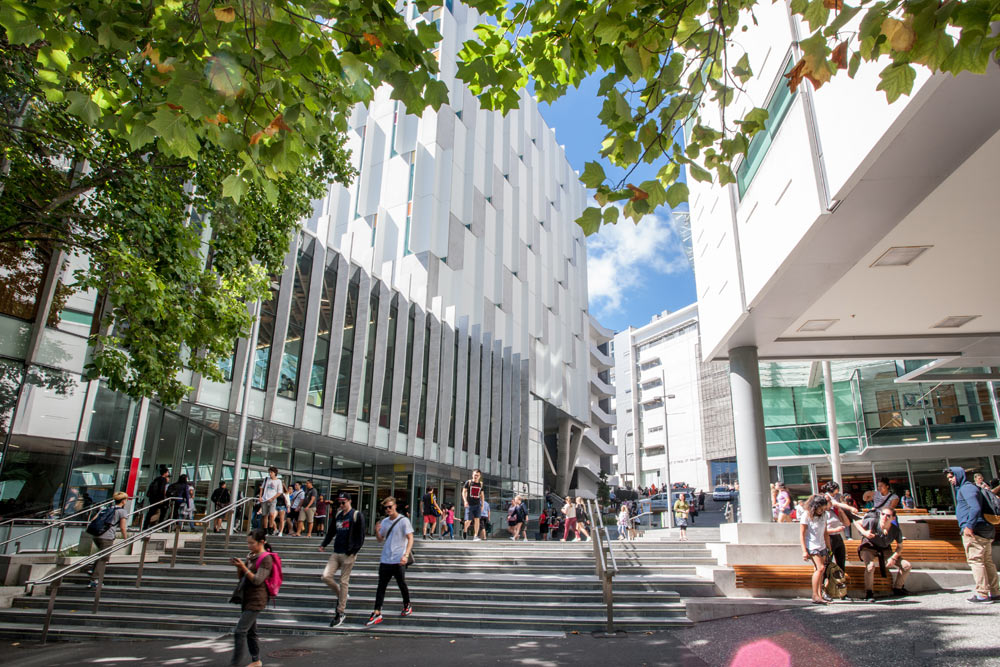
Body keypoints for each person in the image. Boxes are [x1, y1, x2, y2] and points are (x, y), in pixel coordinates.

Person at [946, 467, 999, 604]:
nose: (950, 480)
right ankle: (994, 591)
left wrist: (969, 526)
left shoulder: (966, 488)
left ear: (958, 475)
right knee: (986, 561)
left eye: (952, 477)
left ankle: (982, 594)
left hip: (975, 530)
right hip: (984, 529)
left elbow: (975, 507)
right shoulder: (970, 488)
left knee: (976, 561)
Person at [229, 528, 275, 667]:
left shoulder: (266, 558)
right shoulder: (251, 556)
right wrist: (240, 567)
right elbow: (243, 578)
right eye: (248, 543)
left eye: (252, 543)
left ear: (261, 542)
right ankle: (256, 660)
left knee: (240, 631)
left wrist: (243, 567)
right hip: (247, 596)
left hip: (257, 599)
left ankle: (235, 663)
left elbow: (257, 580)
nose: (249, 546)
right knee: (251, 631)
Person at [319, 490, 366, 627]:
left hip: (348, 553)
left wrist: (354, 551)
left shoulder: (356, 515)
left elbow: (361, 536)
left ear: (349, 501)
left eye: (343, 502)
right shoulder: (339, 515)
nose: (341, 505)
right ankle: (342, 595)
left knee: (344, 581)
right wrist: (323, 544)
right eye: (339, 502)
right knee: (325, 576)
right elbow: (331, 531)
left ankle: (340, 612)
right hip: (336, 552)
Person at [366, 497, 414, 627]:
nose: (388, 509)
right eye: (386, 507)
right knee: (381, 586)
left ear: (395, 506)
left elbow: (410, 538)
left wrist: (406, 554)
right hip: (386, 558)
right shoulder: (385, 522)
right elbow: (380, 539)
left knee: (401, 584)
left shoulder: (404, 521)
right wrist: (377, 530)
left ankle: (407, 604)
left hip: (398, 558)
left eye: (390, 507)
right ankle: (377, 611)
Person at [854, 506, 911, 601]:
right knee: (870, 566)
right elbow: (856, 522)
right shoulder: (873, 521)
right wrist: (865, 533)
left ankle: (898, 588)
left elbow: (900, 547)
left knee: (906, 565)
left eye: (888, 516)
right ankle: (869, 593)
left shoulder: (895, 530)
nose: (884, 517)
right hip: (868, 547)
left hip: (884, 550)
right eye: (883, 514)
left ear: (893, 518)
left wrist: (893, 557)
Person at [87, 491, 129, 588]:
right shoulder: (122, 512)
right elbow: (123, 527)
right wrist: (125, 539)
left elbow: (93, 520)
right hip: (107, 537)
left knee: (101, 554)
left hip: (97, 535)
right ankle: (94, 579)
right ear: (123, 501)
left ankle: (93, 570)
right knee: (104, 558)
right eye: (126, 499)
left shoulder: (105, 509)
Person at [799, 495, 832, 605]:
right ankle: (814, 594)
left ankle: (819, 595)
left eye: (824, 508)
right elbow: (802, 534)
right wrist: (804, 550)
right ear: (815, 506)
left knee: (820, 570)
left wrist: (829, 547)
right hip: (812, 545)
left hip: (822, 545)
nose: (822, 511)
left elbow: (825, 532)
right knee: (820, 568)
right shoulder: (806, 515)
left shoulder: (824, 515)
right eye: (821, 508)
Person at [462, 469, 486, 542]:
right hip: (469, 504)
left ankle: (475, 536)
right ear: (472, 475)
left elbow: (482, 495)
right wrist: (465, 501)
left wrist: (482, 505)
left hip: (477, 504)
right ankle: (465, 529)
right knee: (468, 521)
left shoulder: (481, 484)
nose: (476, 476)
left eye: (477, 475)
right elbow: (463, 492)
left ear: (480, 476)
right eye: (475, 475)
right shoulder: (468, 482)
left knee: (477, 520)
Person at [258, 467, 282, 535]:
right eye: (269, 472)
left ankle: (270, 528)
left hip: (273, 500)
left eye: (271, 472)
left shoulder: (278, 481)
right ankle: (265, 529)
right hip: (265, 498)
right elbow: (261, 488)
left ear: (275, 473)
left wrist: (273, 498)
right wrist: (260, 497)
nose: (270, 474)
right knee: (264, 515)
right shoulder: (266, 479)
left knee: (271, 514)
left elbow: (279, 492)